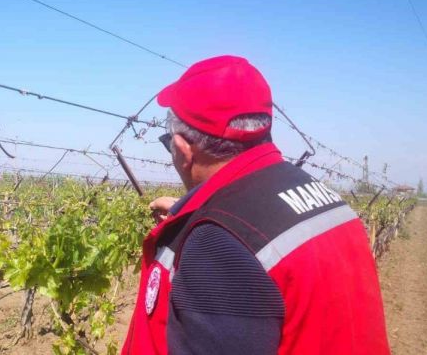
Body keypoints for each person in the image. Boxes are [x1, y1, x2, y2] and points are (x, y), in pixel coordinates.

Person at [122, 55, 390, 354]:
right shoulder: (323, 199)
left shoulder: (216, 245)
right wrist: (190, 219)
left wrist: (209, 230)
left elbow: (236, 250)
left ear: (184, 150)